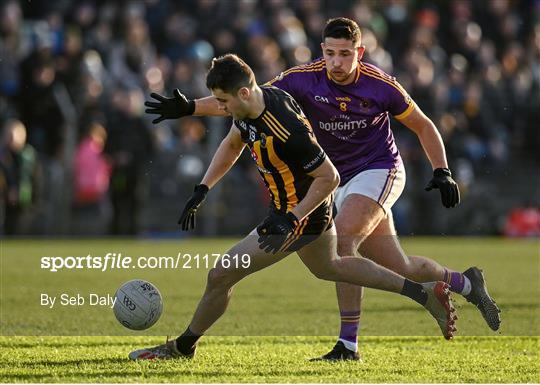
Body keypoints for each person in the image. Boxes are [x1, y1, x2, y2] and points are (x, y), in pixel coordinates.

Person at [144, 18, 501, 361]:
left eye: (345, 54)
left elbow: (422, 125)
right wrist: (191, 109)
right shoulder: (294, 84)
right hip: (326, 181)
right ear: (321, 50)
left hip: (373, 170)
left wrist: (442, 171)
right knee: (392, 265)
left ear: (360, 52)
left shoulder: (377, 86)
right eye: (330, 53)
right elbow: (240, 103)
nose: (337, 61)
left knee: (341, 242)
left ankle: (348, 344)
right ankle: (463, 283)